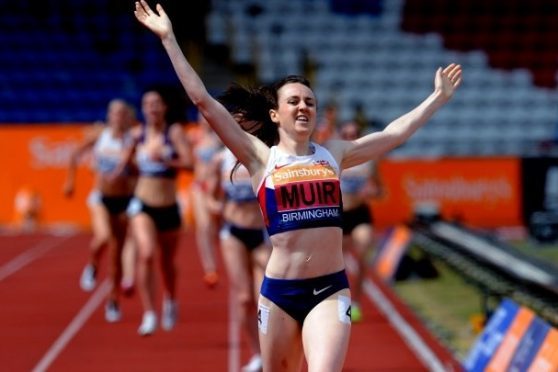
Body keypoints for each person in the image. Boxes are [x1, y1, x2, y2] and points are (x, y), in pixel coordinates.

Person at [133, 1, 462, 369]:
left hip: (330, 289)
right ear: (275, 114)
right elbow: (204, 102)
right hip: (279, 293)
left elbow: (392, 134)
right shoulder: (261, 157)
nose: (304, 106)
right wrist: (169, 39)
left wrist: (437, 99)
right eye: (294, 101)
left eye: (310, 102)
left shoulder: (333, 154)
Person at [206, 86, 272, 372]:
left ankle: (271, 352)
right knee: (244, 297)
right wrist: (217, 208)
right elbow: (210, 196)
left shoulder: (263, 153)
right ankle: (256, 353)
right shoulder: (220, 158)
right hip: (233, 232)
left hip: (261, 234)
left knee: (265, 298)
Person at [121, 88, 193, 336]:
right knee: (147, 254)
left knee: (167, 263)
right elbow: (126, 162)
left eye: (156, 103)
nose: (152, 108)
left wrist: (165, 160)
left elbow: (190, 164)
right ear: (142, 109)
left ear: (164, 108)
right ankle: (149, 313)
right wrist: (121, 168)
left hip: (169, 206)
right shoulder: (137, 134)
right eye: (147, 103)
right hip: (143, 205)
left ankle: (171, 300)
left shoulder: (173, 133)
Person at [63, 98, 138, 322]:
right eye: (114, 112)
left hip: (124, 200)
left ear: (127, 117)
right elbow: (75, 153)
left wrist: (127, 166)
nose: (118, 116)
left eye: (122, 113)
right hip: (101, 197)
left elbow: (135, 167)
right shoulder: (99, 136)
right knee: (103, 237)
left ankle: (113, 300)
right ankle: (93, 263)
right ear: (109, 115)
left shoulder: (131, 139)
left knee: (116, 255)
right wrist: (70, 182)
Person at [338, 120, 383, 323]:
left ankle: (355, 301)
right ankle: (339, 300)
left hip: (359, 213)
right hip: (338, 215)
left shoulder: (369, 160)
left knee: (364, 248)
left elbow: (380, 190)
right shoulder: (333, 158)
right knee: (336, 263)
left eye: (354, 134)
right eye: (346, 135)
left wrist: (372, 192)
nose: (350, 138)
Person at [189, 114, 223, 288]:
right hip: (199, 186)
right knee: (203, 226)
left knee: (217, 228)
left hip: (216, 189)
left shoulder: (220, 137)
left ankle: (226, 257)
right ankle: (210, 268)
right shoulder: (194, 136)